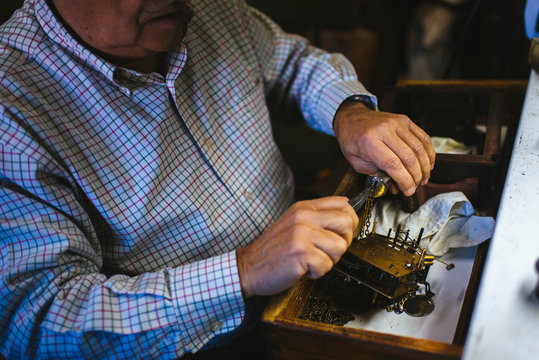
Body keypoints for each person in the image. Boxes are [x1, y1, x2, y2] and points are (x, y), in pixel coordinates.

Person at [0, 0, 435, 358]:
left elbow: (291, 64)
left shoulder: (204, 10)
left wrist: (351, 113)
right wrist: (244, 271)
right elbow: (38, 324)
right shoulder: (12, 110)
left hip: (308, 282)